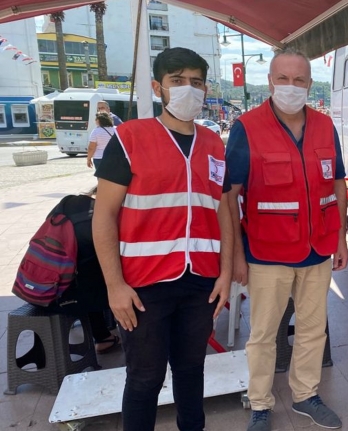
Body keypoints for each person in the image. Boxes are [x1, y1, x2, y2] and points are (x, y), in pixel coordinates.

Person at [92, 47, 233, 431]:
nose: (189, 89)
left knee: (191, 371)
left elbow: (224, 211)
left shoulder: (214, 144)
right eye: (177, 81)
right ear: (158, 87)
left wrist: (226, 274)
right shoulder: (129, 138)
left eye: (196, 82)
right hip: (142, 285)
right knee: (144, 378)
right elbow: (103, 215)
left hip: (201, 281)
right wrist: (114, 286)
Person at [225, 48, 348, 431]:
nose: (291, 87)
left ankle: (306, 395)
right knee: (263, 335)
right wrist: (237, 258)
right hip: (267, 253)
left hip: (318, 248)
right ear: (271, 82)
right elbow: (230, 195)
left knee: (314, 329)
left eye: (299, 80)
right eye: (283, 79)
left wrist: (341, 238)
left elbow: (339, 182)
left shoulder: (326, 126)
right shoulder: (247, 127)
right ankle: (260, 404)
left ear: (310, 84)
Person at [44, 188, 120, 355]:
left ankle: (104, 330)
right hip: (67, 297)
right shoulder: (97, 219)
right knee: (106, 274)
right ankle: (103, 337)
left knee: (88, 270)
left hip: (42, 287)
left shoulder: (67, 204)